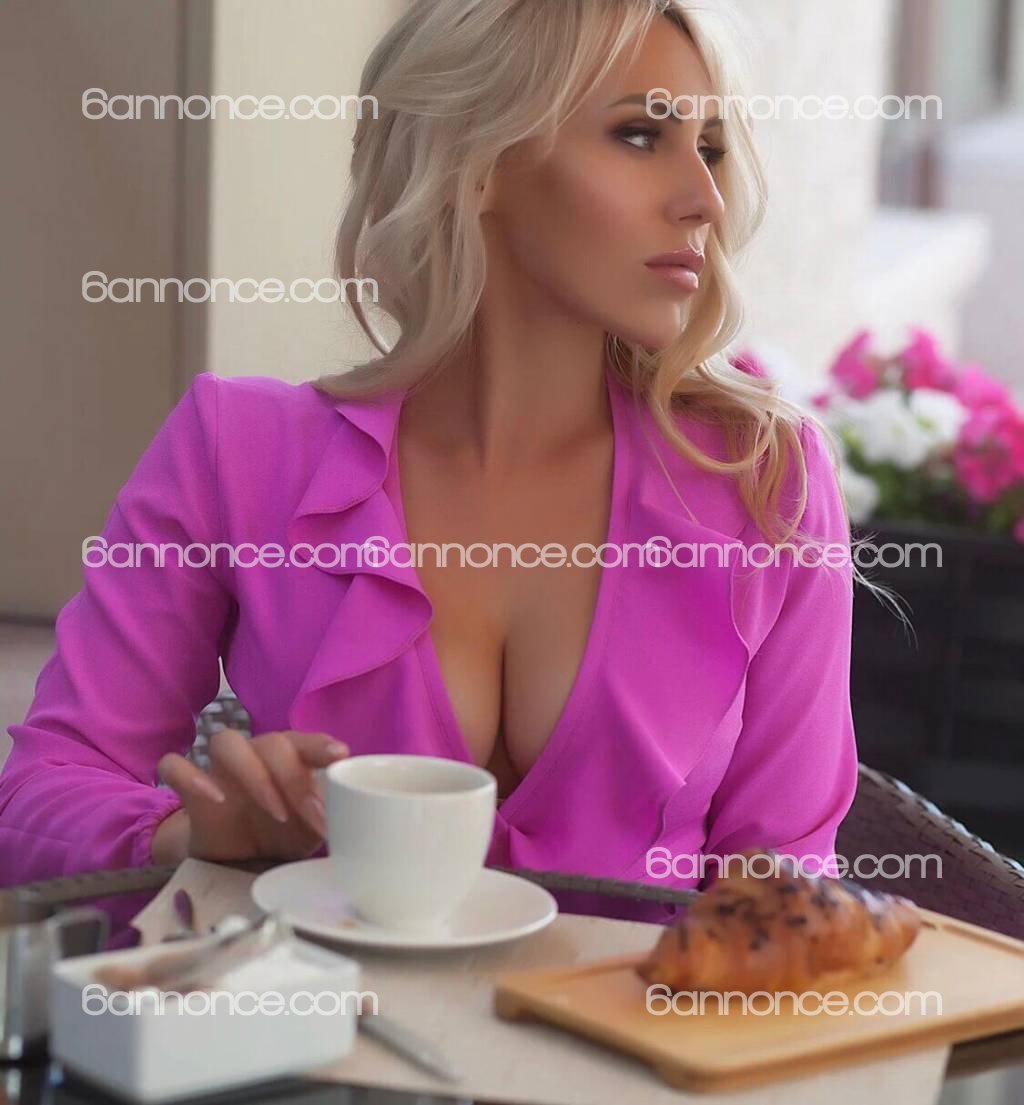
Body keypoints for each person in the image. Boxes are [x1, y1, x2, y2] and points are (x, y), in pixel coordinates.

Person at [0, 0, 862, 920]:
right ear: (477, 161)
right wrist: (192, 836)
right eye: (642, 136)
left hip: (646, 1014)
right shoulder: (237, 452)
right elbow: (38, 800)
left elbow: (787, 888)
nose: (705, 199)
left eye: (713, 148)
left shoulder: (766, 482)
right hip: (320, 1010)